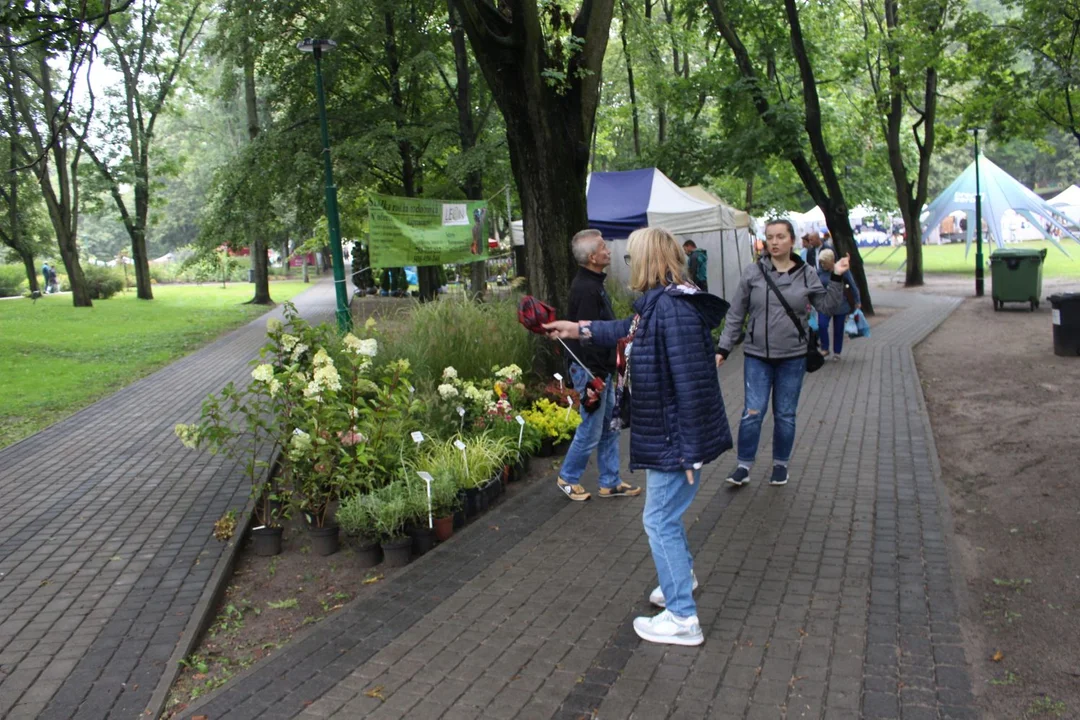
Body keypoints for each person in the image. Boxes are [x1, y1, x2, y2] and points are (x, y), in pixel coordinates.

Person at [544, 227, 733, 646]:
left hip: (675, 440)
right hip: (670, 436)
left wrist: (688, 453)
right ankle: (678, 580)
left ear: (648, 260)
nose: (625, 265)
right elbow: (624, 330)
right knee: (666, 517)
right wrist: (575, 329)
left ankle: (683, 616)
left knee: (658, 519)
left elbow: (692, 383)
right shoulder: (661, 305)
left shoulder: (673, 310)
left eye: (631, 258)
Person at [717, 219, 848, 488]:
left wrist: (836, 276)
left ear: (792, 240)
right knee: (753, 412)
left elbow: (827, 306)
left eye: (780, 237)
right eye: (770, 237)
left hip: (793, 357)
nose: (774, 242)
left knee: (785, 414)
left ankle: (780, 464)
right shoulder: (753, 272)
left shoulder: (807, 273)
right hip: (757, 356)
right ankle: (744, 465)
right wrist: (723, 347)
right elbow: (736, 313)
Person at [556, 230, 642, 502]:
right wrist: (596, 377)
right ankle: (568, 478)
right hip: (591, 371)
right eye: (604, 247)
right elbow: (586, 335)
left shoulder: (593, 283)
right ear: (593, 257)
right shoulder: (586, 289)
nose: (609, 250)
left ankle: (610, 482)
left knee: (609, 428)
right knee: (592, 429)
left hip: (599, 369)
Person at [815, 249, 861, 362]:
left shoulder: (842, 270)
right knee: (822, 324)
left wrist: (857, 301)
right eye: (821, 263)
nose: (822, 265)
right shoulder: (820, 272)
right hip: (825, 304)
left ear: (831, 261)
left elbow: (852, 284)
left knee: (838, 329)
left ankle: (837, 352)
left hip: (840, 304)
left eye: (824, 262)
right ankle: (825, 348)